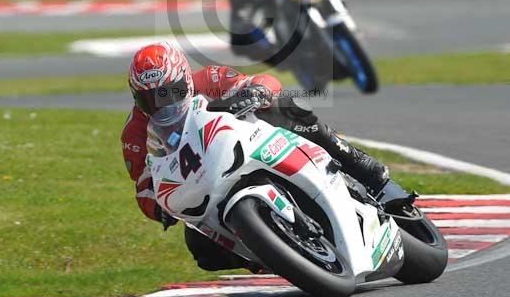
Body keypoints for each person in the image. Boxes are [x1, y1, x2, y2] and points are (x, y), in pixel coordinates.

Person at [122, 41, 401, 272]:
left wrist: (257, 92)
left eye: (172, 93)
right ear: (137, 99)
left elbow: (263, 81)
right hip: (205, 186)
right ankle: (273, 255)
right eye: (152, 99)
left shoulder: (208, 79)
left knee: (284, 107)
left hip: (252, 142)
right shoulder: (134, 136)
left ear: (185, 80)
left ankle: (362, 166)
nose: (165, 104)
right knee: (203, 251)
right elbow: (145, 186)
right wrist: (159, 209)